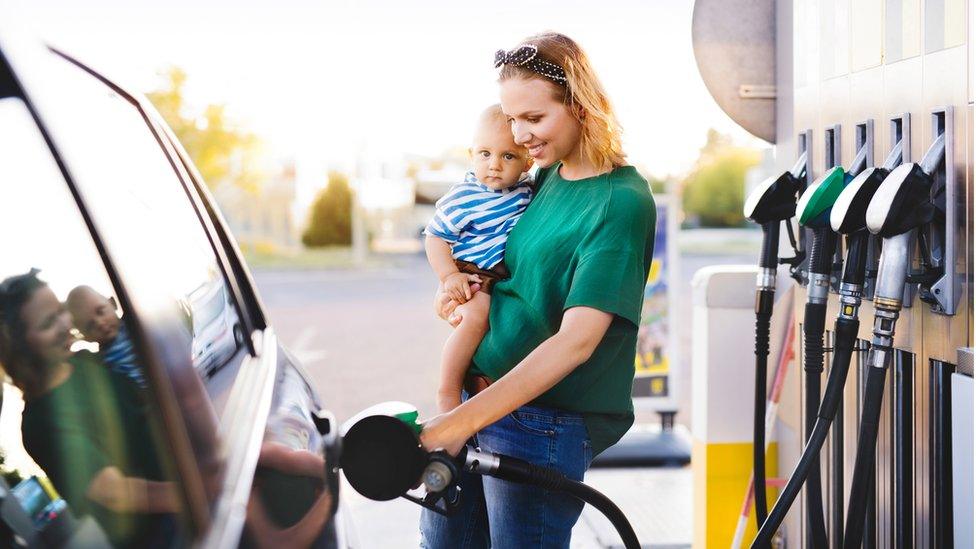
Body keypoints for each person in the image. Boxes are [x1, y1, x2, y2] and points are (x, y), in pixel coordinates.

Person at [419, 33, 657, 548]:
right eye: (511, 119)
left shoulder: (619, 203)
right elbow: (510, 265)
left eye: (534, 118)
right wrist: (458, 284)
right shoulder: (546, 175)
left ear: (580, 105)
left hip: (538, 425)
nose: (519, 135)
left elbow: (577, 341)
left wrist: (456, 424)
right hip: (476, 401)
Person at [0, 270, 178, 547]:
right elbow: (115, 493)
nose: (64, 324)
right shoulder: (41, 423)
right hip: (164, 533)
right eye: (49, 322)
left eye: (60, 311)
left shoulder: (86, 361)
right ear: (21, 349)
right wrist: (191, 493)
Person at [423, 104, 533, 414]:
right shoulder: (465, 196)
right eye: (485, 154)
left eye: (507, 156)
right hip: (472, 273)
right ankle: (448, 390)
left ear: (527, 162)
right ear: (472, 154)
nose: (494, 165)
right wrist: (449, 277)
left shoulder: (526, 190)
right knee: (476, 317)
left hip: (499, 276)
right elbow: (435, 237)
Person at [66, 285, 147, 389]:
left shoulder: (137, 326)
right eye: (90, 325)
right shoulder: (98, 365)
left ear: (113, 303)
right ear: (86, 337)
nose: (100, 323)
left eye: (100, 312)